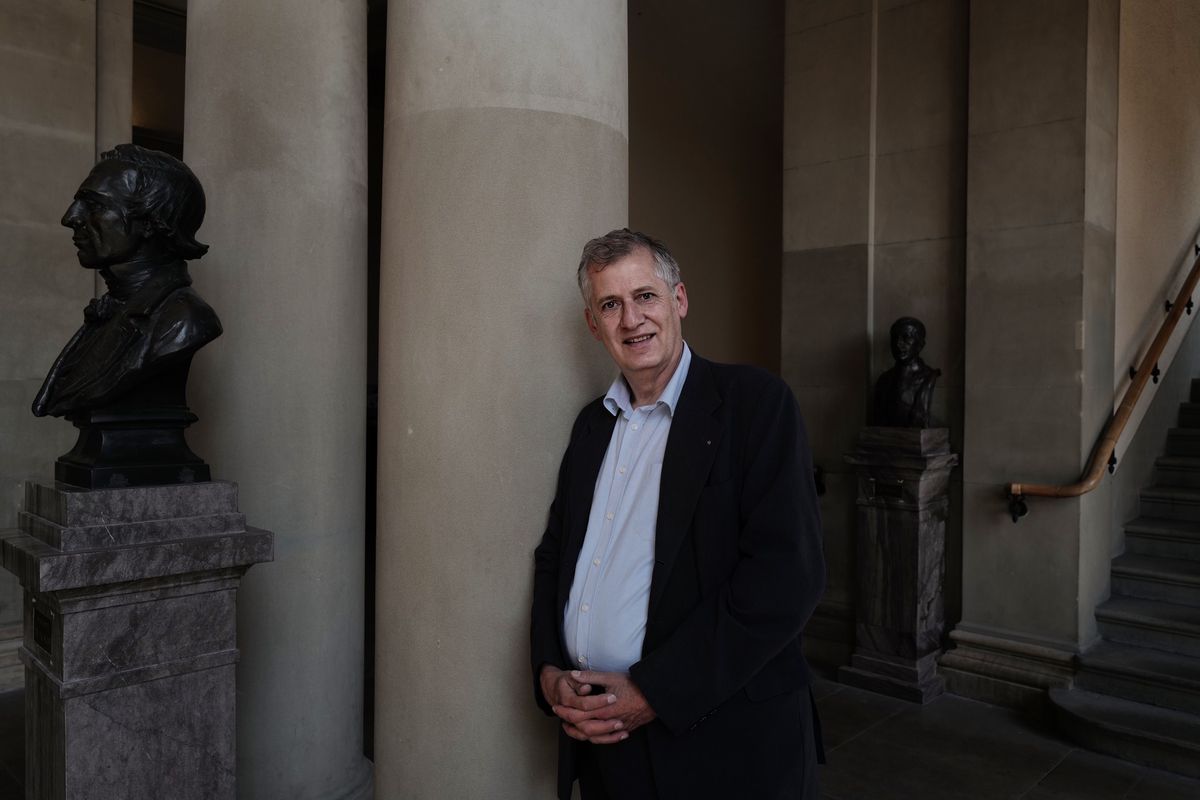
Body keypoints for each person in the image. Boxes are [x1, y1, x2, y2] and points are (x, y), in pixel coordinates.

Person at [531, 229, 826, 799]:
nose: (631, 319)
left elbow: (786, 579)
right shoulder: (592, 426)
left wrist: (653, 693)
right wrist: (548, 670)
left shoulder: (755, 404)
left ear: (679, 300)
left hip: (726, 748)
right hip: (606, 747)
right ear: (593, 324)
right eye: (610, 304)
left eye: (646, 296)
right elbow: (554, 555)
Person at [33, 144, 220, 419]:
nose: (70, 218)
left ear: (149, 221)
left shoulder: (185, 320)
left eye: (94, 205)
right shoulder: (110, 309)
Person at [872, 316, 940, 428]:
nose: (898, 344)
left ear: (920, 345)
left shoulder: (929, 377)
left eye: (906, 338)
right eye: (895, 338)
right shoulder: (884, 380)